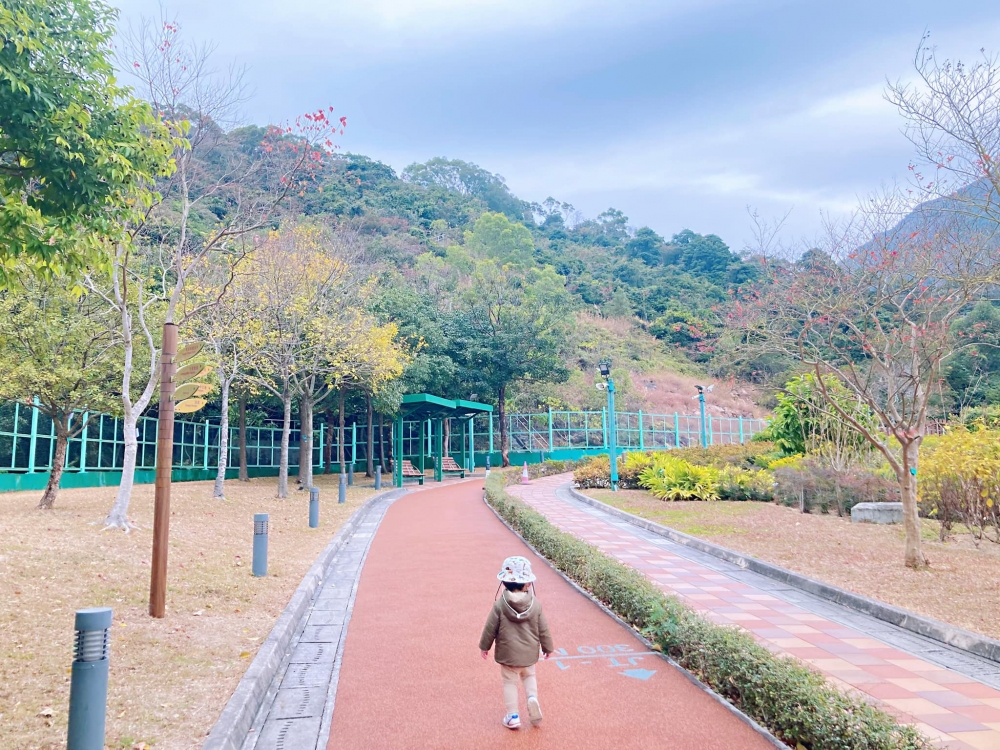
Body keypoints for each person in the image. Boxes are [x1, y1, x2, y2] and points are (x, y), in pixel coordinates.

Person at [479, 555, 555, 730]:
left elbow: (490, 627)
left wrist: (485, 646)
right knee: (529, 676)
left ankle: (513, 716)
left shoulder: (499, 605)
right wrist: (548, 648)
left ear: (504, 583)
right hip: (529, 652)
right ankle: (532, 698)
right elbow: (543, 628)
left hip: (508, 653)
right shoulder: (535, 605)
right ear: (528, 583)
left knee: (510, 683)